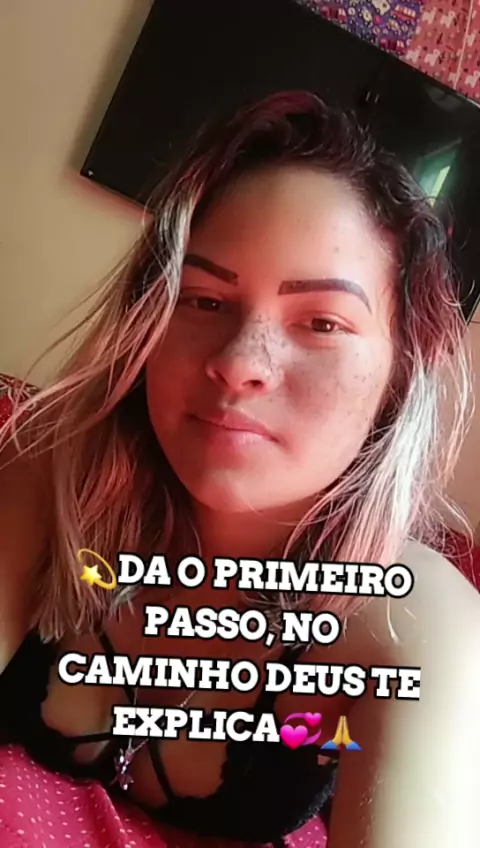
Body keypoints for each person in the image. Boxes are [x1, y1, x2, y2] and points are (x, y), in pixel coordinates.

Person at [0, 91, 479, 848]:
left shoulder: (413, 618)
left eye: (322, 322)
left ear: (399, 374)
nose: (238, 363)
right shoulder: (50, 475)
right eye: (204, 300)